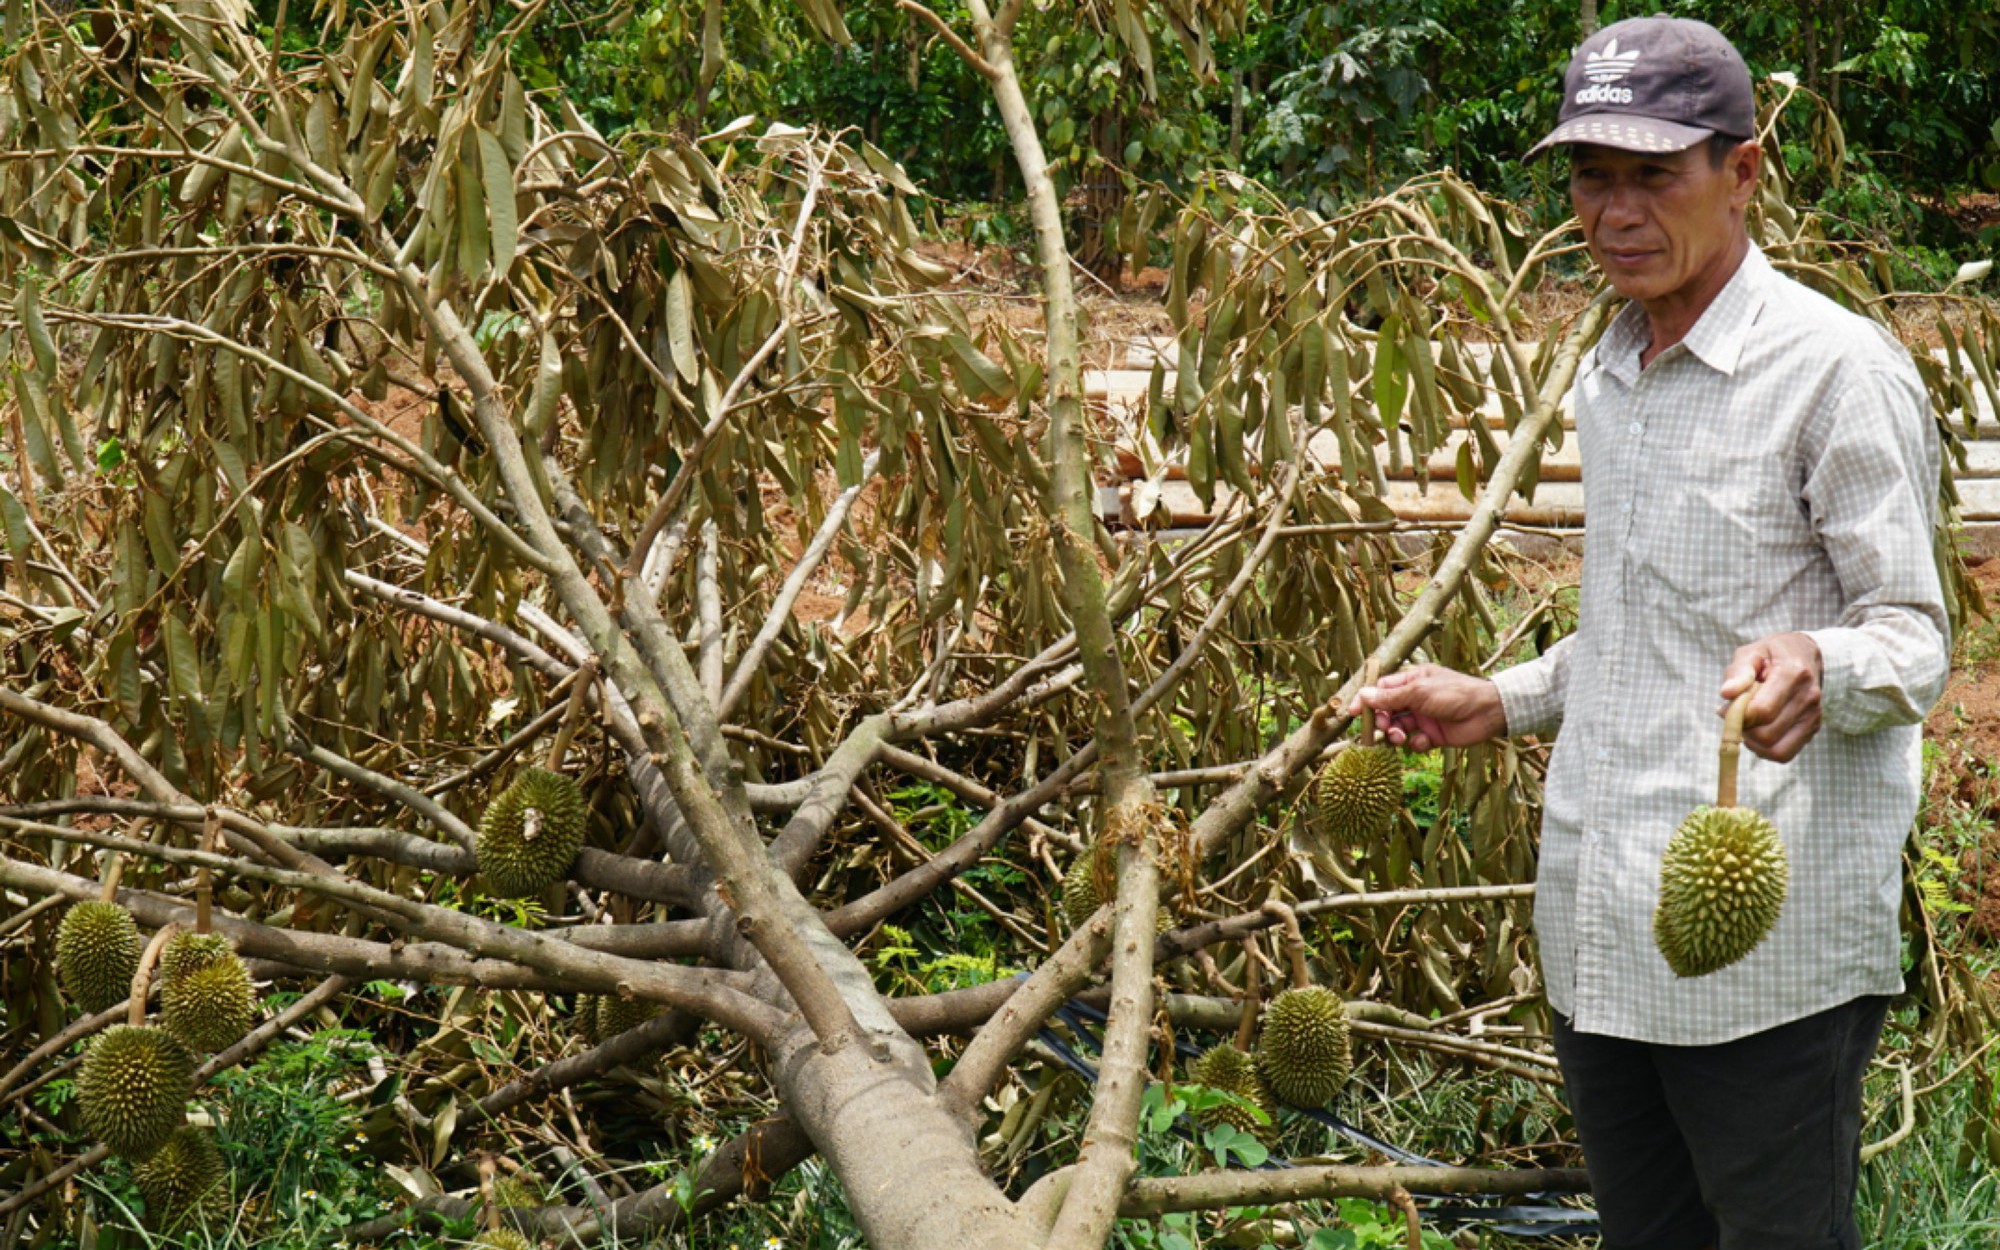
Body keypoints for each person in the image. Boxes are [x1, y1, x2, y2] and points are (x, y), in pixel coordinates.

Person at [1350, 16, 1949, 1250]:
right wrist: (1499, 698)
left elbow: (1912, 635)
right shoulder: (1611, 368)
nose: (1613, 212)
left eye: (1652, 176)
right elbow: (1639, 632)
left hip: (1765, 963)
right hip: (1600, 920)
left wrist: (1818, 663)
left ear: (1739, 173)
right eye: (1590, 177)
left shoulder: (1838, 372)